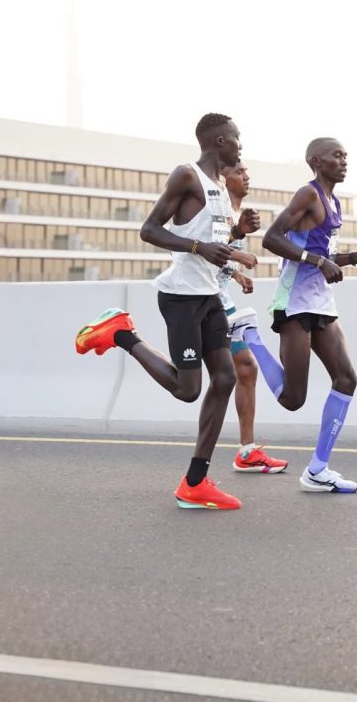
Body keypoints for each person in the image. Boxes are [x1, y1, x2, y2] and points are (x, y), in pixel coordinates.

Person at [75, 113, 258, 511]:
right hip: (180, 298)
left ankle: (195, 482)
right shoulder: (186, 175)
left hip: (209, 297)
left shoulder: (222, 190)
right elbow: (150, 229)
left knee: (225, 378)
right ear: (221, 141)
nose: (242, 147)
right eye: (238, 140)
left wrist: (237, 238)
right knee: (188, 390)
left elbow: (214, 243)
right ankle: (121, 333)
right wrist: (198, 249)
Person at [259, 137, 357, 493]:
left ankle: (317, 469)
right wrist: (317, 261)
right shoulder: (308, 194)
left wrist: (356, 257)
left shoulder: (335, 201)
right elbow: (271, 239)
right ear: (317, 161)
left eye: (346, 156)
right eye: (337, 156)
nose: (344, 161)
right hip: (294, 303)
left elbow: (324, 254)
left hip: (321, 303)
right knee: (292, 399)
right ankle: (249, 338)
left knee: (346, 379)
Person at [217, 162, 288, 474]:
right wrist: (237, 254)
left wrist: (236, 275)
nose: (246, 177)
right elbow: (203, 250)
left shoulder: (235, 212)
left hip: (221, 300)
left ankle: (247, 451)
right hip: (202, 301)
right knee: (188, 383)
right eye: (239, 172)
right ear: (223, 178)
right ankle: (124, 337)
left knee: (245, 369)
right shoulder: (218, 208)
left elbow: (216, 259)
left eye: (247, 172)